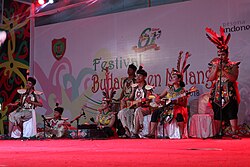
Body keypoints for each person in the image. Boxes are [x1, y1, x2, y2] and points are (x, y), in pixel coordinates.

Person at [145, 51, 191, 139]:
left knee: (178, 114)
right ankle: (151, 133)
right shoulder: (168, 88)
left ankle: (181, 134)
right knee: (155, 113)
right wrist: (157, 99)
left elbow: (184, 104)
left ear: (179, 80)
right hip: (167, 107)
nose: (171, 79)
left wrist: (177, 101)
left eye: (174, 77)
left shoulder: (182, 91)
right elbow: (160, 97)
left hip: (178, 107)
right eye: (172, 77)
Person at [206, 26, 240, 139]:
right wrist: (216, 68)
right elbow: (211, 79)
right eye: (219, 55)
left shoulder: (233, 65)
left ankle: (234, 132)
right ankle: (217, 133)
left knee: (231, 111)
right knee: (217, 111)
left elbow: (233, 78)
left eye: (223, 55)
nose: (220, 57)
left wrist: (223, 70)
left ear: (227, 54)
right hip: (217, 91)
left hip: (229, 91)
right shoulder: (215, 64)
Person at [118, 66, 153, 138]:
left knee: (138, 110)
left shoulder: (147, 88)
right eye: (137, 75)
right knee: (122, 112)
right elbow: (131, 97)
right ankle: (127, 131)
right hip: (134, 107)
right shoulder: (135, 87)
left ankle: (136, 132)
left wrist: (141, 101)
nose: (137, 77)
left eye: (140, 76)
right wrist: (126, 99)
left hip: (145, 108)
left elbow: (148, 100)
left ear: (144, 77)